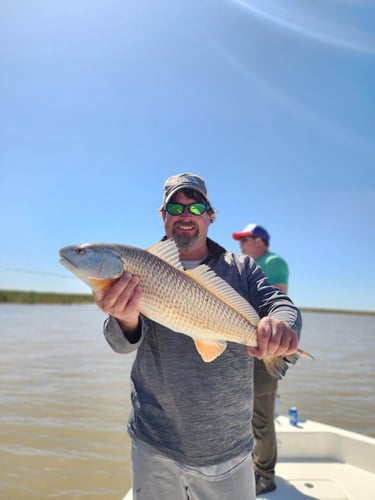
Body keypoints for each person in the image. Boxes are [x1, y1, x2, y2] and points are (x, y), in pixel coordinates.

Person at [94, 173, 301, 500]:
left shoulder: (242, 268)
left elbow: (279, 304)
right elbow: (119, 343)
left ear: (210, 215)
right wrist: (123, 317)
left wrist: (280, 323)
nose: (185, 213)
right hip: (154, 442)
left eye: (196, 206)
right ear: (163, 216)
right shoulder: (138, 268)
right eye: (175, 207)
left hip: (227, 448)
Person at [232, 223, 289, 495]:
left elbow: (277, 302)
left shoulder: (272, 261)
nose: (240, 245)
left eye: (245, 239)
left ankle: (265, 476)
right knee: (242, 414)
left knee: (261, 416)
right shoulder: (245, 268)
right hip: (243, 348)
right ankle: (249, 467)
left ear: (259, 241)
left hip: (264, 350)